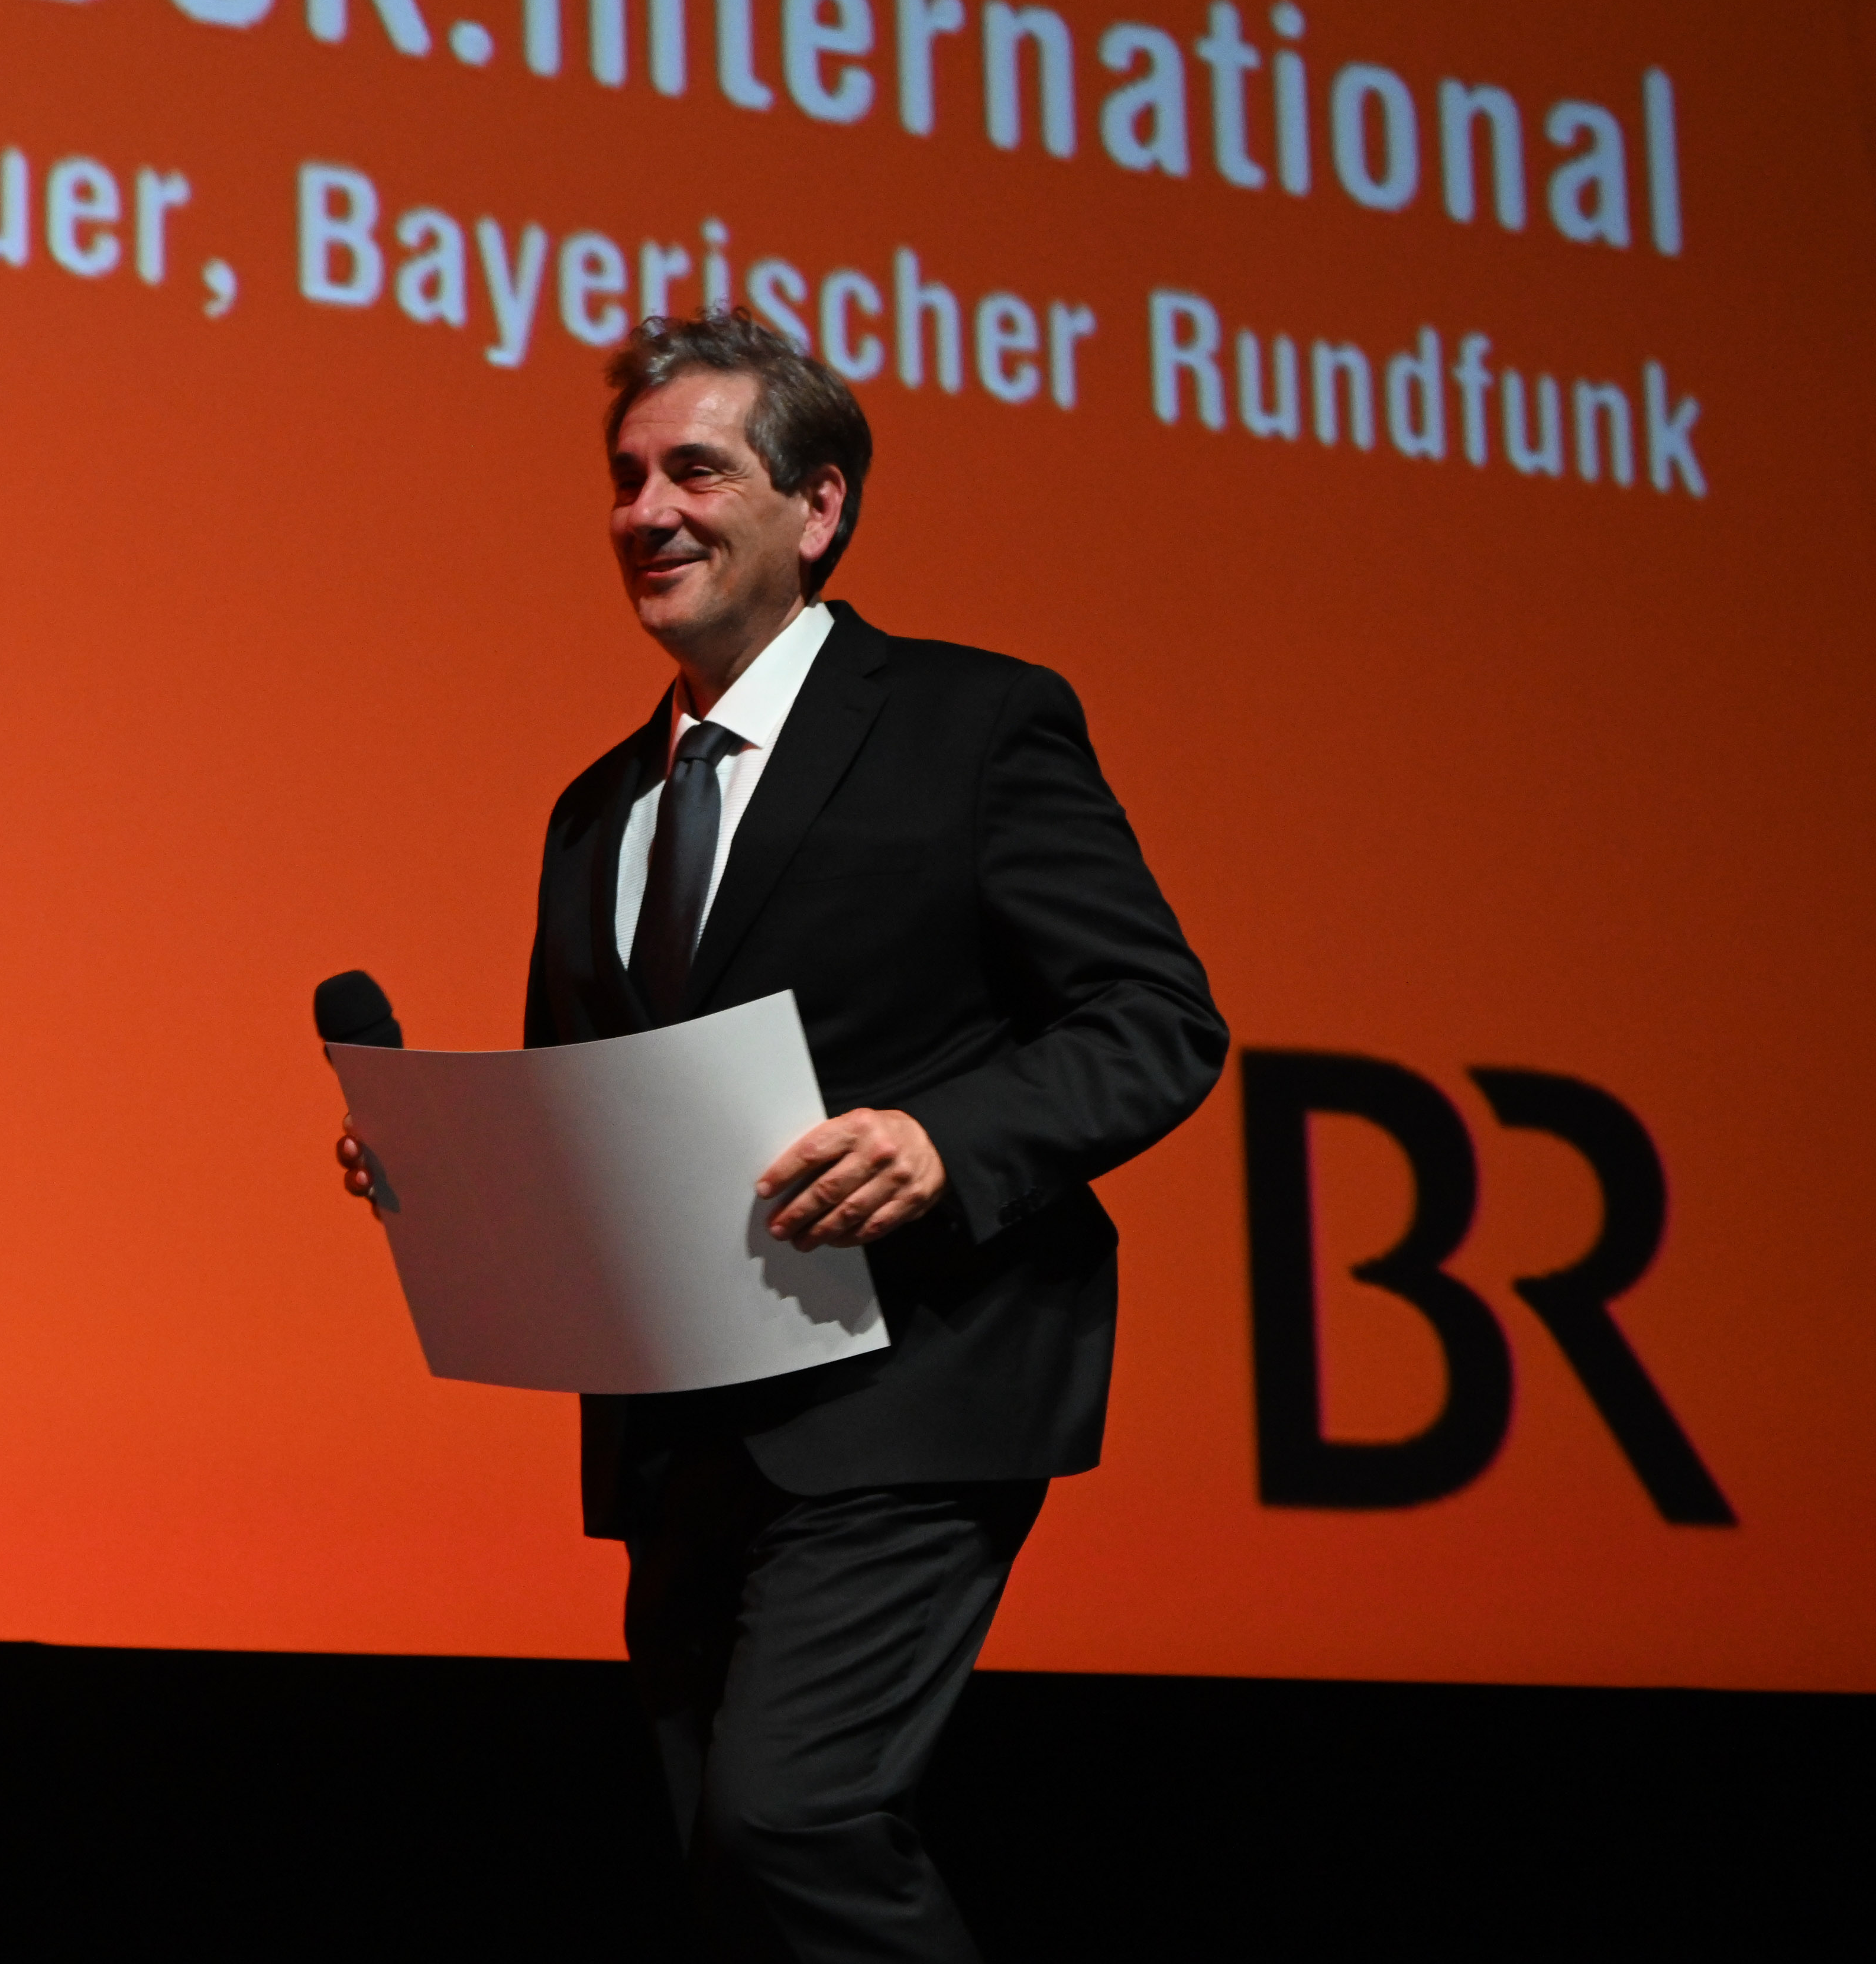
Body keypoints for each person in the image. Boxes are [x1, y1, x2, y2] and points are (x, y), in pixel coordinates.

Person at [336, 312, 1226, 1962]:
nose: (645, 513)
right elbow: (598, 1112)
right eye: (625, 479)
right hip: (682, 1425)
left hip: (912, 1379)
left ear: (818, 506)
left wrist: (945, 1140)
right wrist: (451, 1167)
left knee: (793, 1820)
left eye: (693, 471)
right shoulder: (597, 806)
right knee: (726, 1877)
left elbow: (1153, 1020)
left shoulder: (973, 722)